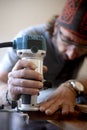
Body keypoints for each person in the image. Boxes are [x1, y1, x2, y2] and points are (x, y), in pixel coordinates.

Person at [0, 0, 87, 129]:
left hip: (61, 111)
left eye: (81, 46)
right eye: (67, 40)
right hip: (26, 116)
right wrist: (11, 91)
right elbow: (1, 81)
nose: (71, 54)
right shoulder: (29, 37)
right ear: (56, 28)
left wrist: (72, 87)